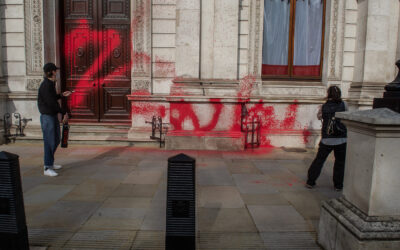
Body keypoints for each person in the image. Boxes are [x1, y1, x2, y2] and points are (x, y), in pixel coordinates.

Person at [306, 86, 347, 191]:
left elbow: (319, 117)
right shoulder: (344, 105)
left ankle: (310, 181)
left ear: (328, 94)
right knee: (340, 162)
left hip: (327, 139)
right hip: (341, 139)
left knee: (319, 160)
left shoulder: (323, 106)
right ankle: (338, 185)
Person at [37, 63, 71, 177]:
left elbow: (52, 98)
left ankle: (50, 163)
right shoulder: (46, 85)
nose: (56, 72)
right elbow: (51, 103)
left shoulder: (50, 84)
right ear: (51, 72)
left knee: (56, 139)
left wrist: (61, 95)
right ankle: (47, 167)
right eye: (55, 70)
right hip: (47, 117)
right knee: (49, 141)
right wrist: (63, 112)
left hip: (52, 116)